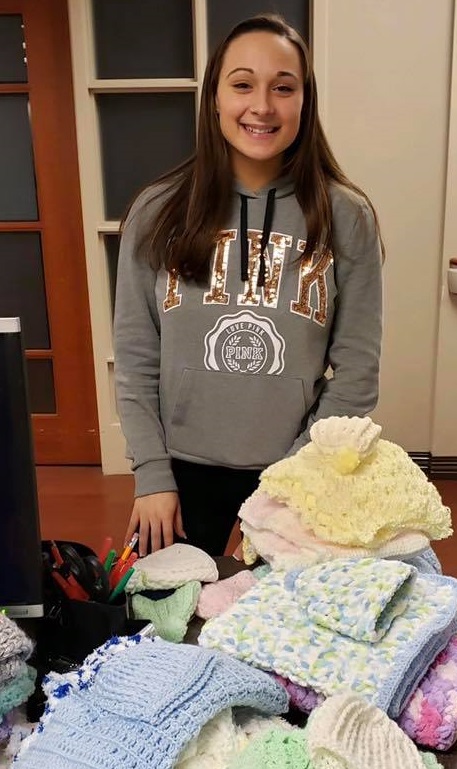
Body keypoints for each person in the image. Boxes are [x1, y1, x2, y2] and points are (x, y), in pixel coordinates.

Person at [114, 13, 383, 558]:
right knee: (163, 633)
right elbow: (136, 359)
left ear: (304, 102)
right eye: (242, 84)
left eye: (283, 87)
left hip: (297, 480)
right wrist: (151, 474)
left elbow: (357, 373)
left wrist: (286, 491)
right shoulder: (158, 211)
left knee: (280, 640)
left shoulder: (345, 216)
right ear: (215, 96)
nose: (262, 106)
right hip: (178, 479)